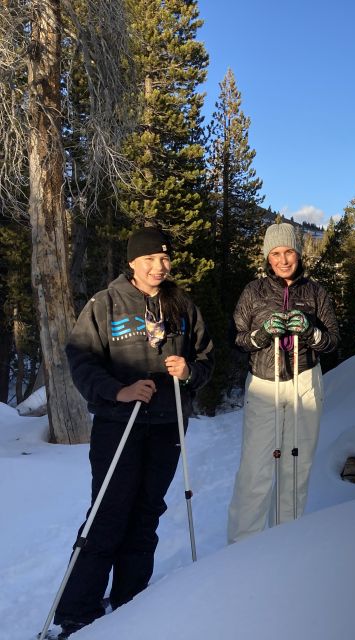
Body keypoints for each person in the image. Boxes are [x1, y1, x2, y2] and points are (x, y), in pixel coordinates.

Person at [54, 228, 213, 637]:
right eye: (149, 260)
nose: (159, 267)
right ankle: (77, 611)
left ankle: (131, 600)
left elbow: (206, 356)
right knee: (108, 513)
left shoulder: (182, 305)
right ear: (132, 263)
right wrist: (118, 391)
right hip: (118, 424)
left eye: (164, 259)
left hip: (166, 424)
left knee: (146, 513)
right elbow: (81, 359)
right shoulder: (104, 304)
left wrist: (189, 372)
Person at [227, 221, 339, 543]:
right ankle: (241, 547)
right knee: (255, 470)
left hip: (304, 381)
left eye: (289, 251)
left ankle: (284, 542)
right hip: (265, 384)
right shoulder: (255, 291)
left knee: (296, 466)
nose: (283, 259)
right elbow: (236, 340)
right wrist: (261, 335)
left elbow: (332, 341)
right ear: (267, 257)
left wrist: (311, 331)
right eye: (275, 253)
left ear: (299, 253)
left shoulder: (315, 292)